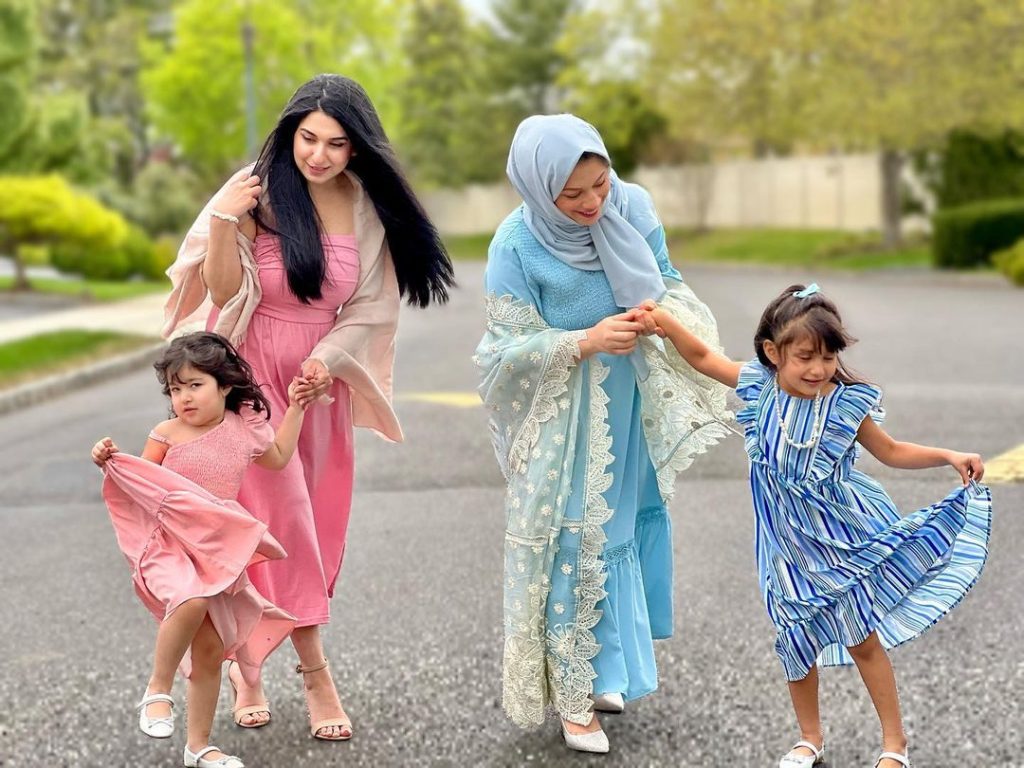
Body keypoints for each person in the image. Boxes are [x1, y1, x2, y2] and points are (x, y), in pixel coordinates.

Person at [162, 74, 455, 740]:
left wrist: (328, 359)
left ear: (358, 149)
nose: (317, 155)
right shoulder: (255, 189)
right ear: (288, 133)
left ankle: (248, 665)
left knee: (314, 534)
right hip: (249, 380)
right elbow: (225, 291)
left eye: (335, 143)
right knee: (276, 527)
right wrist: (222, 219)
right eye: (307, 138)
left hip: (315, 386)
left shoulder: (363, 207)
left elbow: (370, 306)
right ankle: (314, 674)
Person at [637, 283, 992, 768]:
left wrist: (948, 455)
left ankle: (895, 745)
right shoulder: (757, 387)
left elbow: (890, 451)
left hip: (840, 540)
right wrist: (663, 321)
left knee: (862, 639)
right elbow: (701, 356)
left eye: (827, 357)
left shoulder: (845, 405)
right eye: (805, 356)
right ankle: (809, 738)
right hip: (784, 548)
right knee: (796, 641)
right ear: (772, 353)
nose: (818, 369)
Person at [474, 113, 732, 753]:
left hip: (629, 398)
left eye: (600, 182)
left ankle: (605, 672)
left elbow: (668, 280)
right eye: (573, 194)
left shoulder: (633, 206)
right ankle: (572, 699)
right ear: (537, 190)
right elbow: (501, 351)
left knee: (618, 530)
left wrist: (657, 311)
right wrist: (582, 342)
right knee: (572, 539)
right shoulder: (515, 244)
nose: (593, 203)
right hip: (567, 408)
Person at [92, 331, 306, 768]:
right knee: (189, 599)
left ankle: (198, 747)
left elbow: (279, 455)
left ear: (224, 384)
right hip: (169, 543)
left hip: (215, 546)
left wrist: (298, 406)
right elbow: (138, 480)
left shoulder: (243, 428)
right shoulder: (167, 432)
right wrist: (109, 458)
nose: (183, 397)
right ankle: (156, 690)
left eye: (195, 385)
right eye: (175, 388)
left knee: (210, 650)